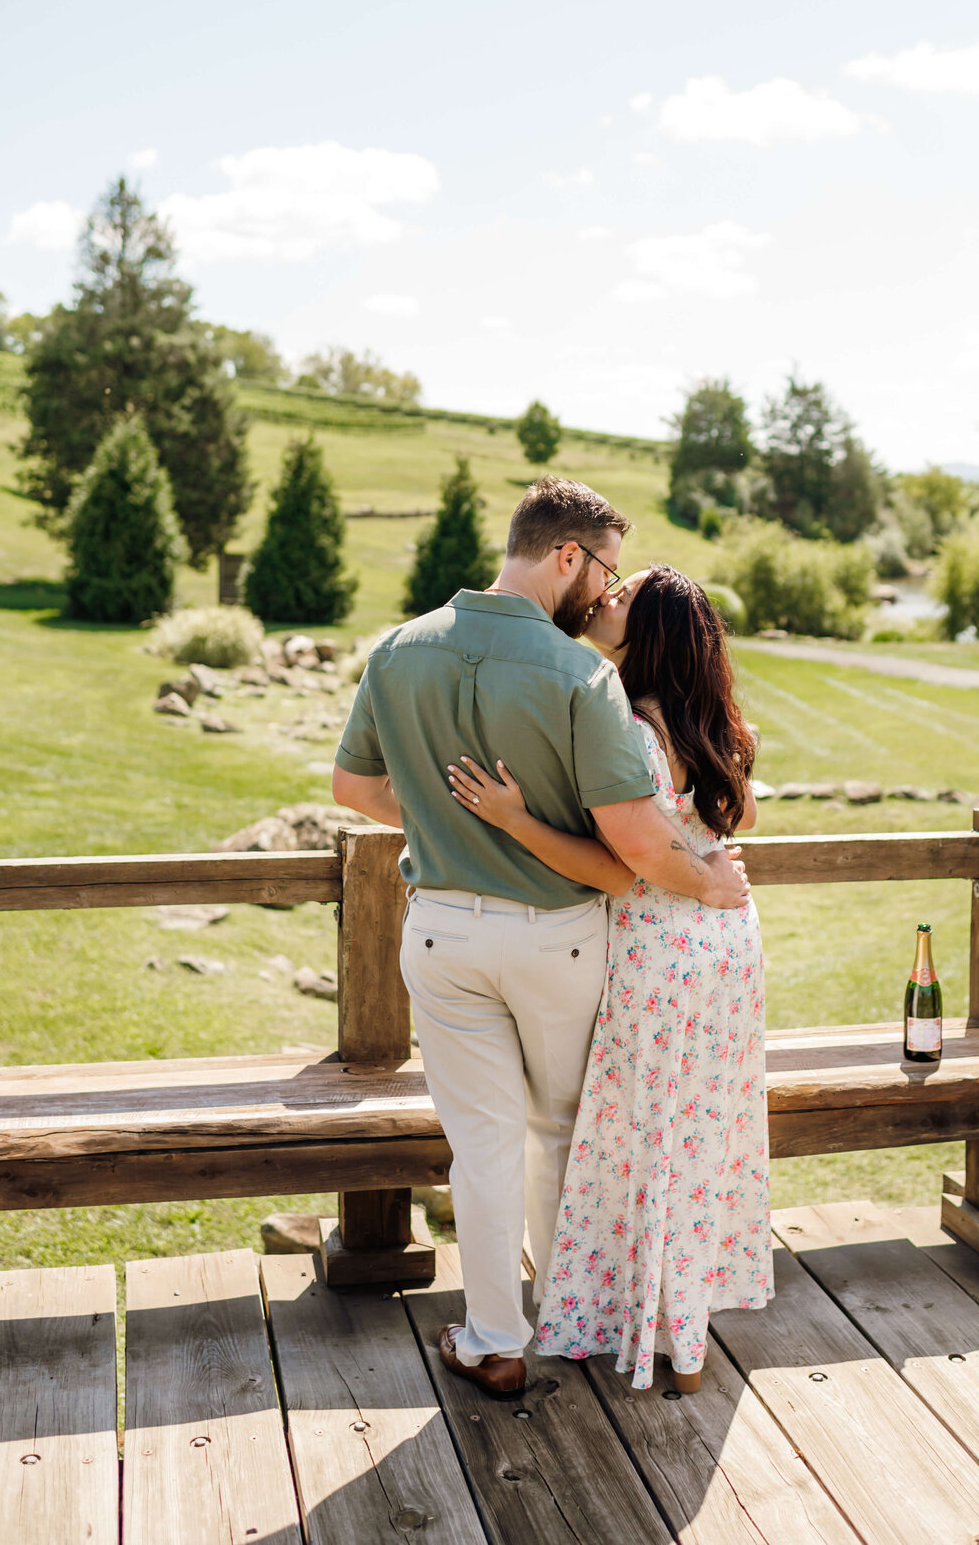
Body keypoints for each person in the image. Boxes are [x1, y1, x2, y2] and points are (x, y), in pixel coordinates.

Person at [332, 480, 750, 1401]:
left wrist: (454, 826)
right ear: (566, 555)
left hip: (442, 935)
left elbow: (355, 790)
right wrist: (709, 878)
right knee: (562, 1131)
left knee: (478, 1144)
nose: (603, 595)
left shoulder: (398, 649)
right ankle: (577, 1318)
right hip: (561, 936)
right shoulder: (581, 676)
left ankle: (495, 1340)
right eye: (601, 570)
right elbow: (631, 855)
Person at [448, 563, 771, 1395]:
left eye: (623, 598)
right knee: (695, 1134)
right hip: (726, 945)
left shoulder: (627, 724)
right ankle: (684, 1332)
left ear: (652, 632)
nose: (605, 599)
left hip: (658, 952)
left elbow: (621, 864)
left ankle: (636, 1322)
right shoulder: (719, 727)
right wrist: (704, 864)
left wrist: (515, 819)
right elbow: (730, 825)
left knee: (642, 1137)